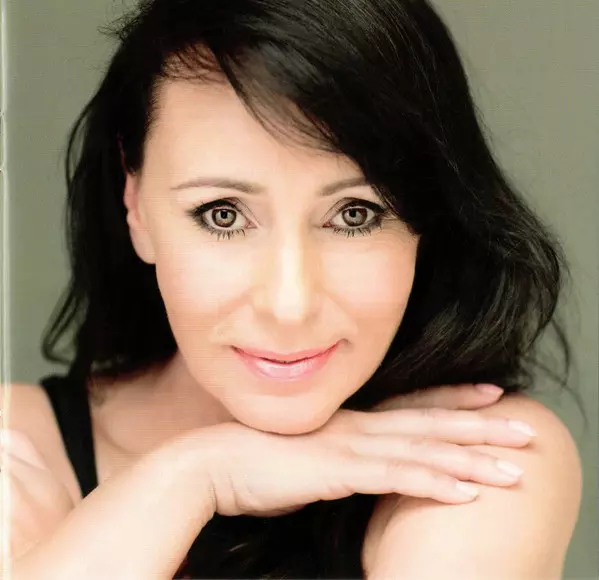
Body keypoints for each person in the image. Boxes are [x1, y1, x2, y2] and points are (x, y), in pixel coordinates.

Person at [1, 0, 584, 578]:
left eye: (355, 214)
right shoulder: (18, 442)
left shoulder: (478, 457)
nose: (290, 305)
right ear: (136, 205)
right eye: (223, 214)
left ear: (427, 219)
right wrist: (196, 474)